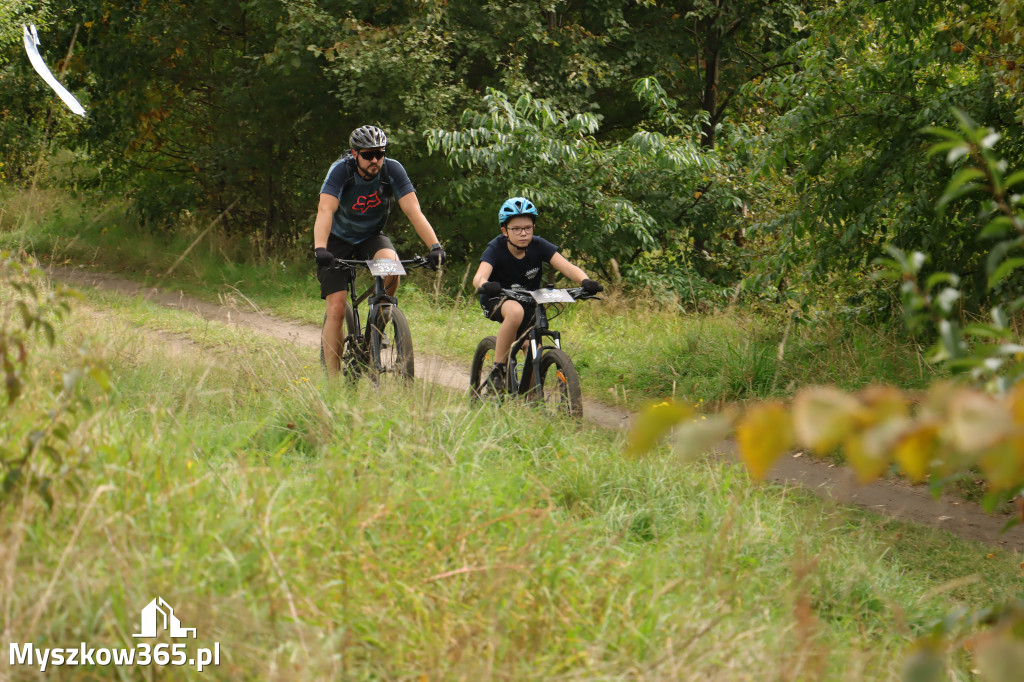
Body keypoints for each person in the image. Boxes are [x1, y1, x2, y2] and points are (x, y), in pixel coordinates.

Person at [313, 125, 445, 375]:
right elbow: (325, 210)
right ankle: (331, 382)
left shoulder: (392, 170)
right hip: (336, 240)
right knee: (337, 307)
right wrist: (320, 248)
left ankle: (378, 328)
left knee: (393, 269)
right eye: (368, 154)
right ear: (355, 154)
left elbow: (413, 210)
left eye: (380, 154)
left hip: (371, 237)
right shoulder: (341, 170)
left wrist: (435, 246)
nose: (375, 160)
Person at [471, 197, 603, 390]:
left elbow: (567, 267)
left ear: (533, 227)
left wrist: (586, 281)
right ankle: (498, 369)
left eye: (528, 228)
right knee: (515, 312)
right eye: (516, 229)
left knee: (534, 349)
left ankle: (530, 397)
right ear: (504, 231)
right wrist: (487, 284)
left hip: (528, 301)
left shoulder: (539, 245)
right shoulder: (496, 247)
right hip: (497, 298)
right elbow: (479, 277)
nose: (523, 233)